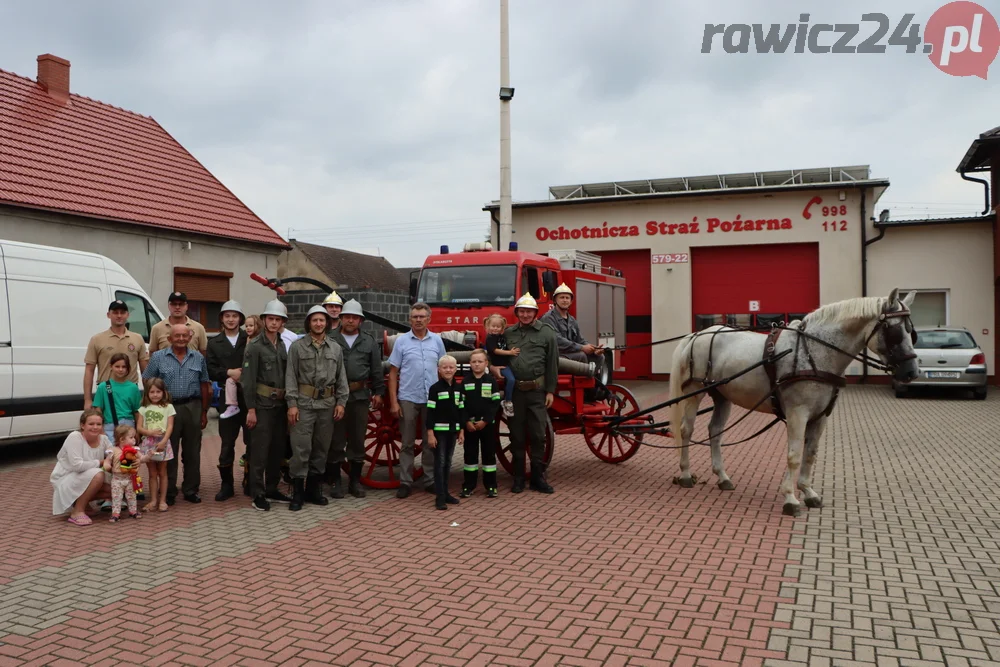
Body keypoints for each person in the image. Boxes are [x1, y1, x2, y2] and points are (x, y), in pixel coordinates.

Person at [285, 305, 348, 511]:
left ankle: (314, 491)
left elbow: (341, 378)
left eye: (322, 320)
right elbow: (291, 377)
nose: (319, 323)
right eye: (315, 320)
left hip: (327, 405)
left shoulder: (335, 348)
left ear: (327, 323)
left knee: (321, 449)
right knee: (301, 448)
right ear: (309, 323)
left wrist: (341, 402)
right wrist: (292, 405)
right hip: (304, 404)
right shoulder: (297, 347)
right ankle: (298, 493)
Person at [142, 324, 211, 505]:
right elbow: (147, 379)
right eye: (177, 336)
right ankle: (169, 491)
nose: (181, 339)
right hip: (167, 408)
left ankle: (190, 489)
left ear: (189, 337)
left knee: (192, 451)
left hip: (192, 406)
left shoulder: (198, 358)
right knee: (168, 450)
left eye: (184, 335)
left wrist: (204, 411)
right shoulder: (158, 357)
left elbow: (204, 383)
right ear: (170, 338)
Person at [388, 302, 447, 499]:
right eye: (415, 316)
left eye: (422, 316)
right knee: (407, 442)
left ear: (429, 319)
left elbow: (444, 369)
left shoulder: (437, 341)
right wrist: (394, 402)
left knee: (430, 441)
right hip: (408, 398)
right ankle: (405, 481)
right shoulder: (402, 342)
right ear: (410, 319)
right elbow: (393, 372)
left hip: (431, 399)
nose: (418, 320)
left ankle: (429, 479)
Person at [327, 299, 384, 499]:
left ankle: (355, 482)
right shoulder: (330, 338)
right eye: (347, 317)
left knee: (358, 440)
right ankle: (335, 483)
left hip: (359, 397)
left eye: (354, 318)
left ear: (360, 321)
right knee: (336, 440)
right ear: (341, 318)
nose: (350, 320)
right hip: (334, 397)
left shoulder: (368, 341)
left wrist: (379, 392)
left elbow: (376, 369)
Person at [242, 299, 294, 511]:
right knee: (260, 451)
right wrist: (251, 409)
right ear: (264, 320)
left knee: (277, 450)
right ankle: (258, 493)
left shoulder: (281, 344)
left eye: (278, 319)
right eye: (270, 319)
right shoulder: (254, 346)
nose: (273, 323)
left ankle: (272, 488)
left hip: (280, 405)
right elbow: (248, 380)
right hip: (262, 405)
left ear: (282, 322)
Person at [504, 293, 558, 494]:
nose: (525, 315)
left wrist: (550, 391)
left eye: (529, 311)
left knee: (538, 436)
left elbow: (552, 364)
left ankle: (537, 477)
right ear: (517, 312)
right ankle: (518, 478)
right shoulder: (508, 333)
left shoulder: (547, 333)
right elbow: (498, 357)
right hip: (515, 392)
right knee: (516, 436)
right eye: (522, 311)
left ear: (536, 313)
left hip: (537, 392)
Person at [206, 300, 252, 502]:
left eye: (235, 316)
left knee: (252, 440)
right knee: (227, 443)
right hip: (227, 399)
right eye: (227, 316)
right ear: (222, 319)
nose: (231, 319)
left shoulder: (250, 338)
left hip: (250, 397)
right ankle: (227, 485)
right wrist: (228, 372)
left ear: (241, 319)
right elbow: (210, 370)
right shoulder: (214, 342)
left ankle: (251, 480)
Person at [51, 408, 114, 525]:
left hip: (85, 477)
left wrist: (112, 458)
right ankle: (77, 511)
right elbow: (77, 466)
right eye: (91, 424)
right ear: (82, 425)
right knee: (98, 474)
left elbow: (112, 452)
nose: (95, 427)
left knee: (116, 488)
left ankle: (79, 502)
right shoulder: (75, 437)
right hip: (66, 478)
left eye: (98, 424)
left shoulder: (104, 439)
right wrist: (102, 462)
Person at [83, 299, 149, 410]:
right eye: (115, 312)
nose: (119, 316)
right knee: (107, 426)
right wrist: (88, 400)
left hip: (130, 393)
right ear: (108, 315)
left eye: (122, 312)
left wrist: (148, 396)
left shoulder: (137, 338)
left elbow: (145, 370)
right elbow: (89, 370)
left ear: (127, 315)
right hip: (106, 392)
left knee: (131, 426)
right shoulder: (97, 339)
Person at [460, 349, 502, 498]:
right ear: (469, 364)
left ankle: (491, 486)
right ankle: (468, 486)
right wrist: (466, 422)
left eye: (480, 361)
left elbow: (495, 403)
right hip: (471, 427)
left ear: (486, 363)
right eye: (474, 362)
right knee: (470, 456)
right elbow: (461, 404)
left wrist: (485, 420)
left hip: (487, 426)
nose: (477, 364)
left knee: (489, 455)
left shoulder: (491, 381)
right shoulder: (465, 382)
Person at [425, 355, 464, 511]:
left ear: (455, 369)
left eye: (451, 367)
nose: (448, 370)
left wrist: (461, 430)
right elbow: (430, 412)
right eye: (445, 367)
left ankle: (446, 493)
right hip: (439, 432)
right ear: (439, 370)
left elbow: (461, 409)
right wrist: (430, 433)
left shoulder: (458, 388)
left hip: (453, 431)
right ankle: (439, 497)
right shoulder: (435, 389)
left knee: (448, 462)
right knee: (439, 463)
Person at [540, 283, 604, 374]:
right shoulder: (548, 318)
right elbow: (557, 340)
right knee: (581, 356)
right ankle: (582, 383)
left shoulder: (572, 320)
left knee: (599, 357)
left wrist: (593, 349)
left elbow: (580, 340)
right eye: (561, 297)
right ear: (555, 300)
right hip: (556, 355)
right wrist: (582, 348)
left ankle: (593, 385)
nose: (565, 300)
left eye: (567, 298)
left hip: (570, 352)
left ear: (571, 301)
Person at [137, 378, 175, 512]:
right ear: (147, 393)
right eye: (152, 392)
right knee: (152, 473)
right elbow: (139, 427)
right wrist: (149, 432)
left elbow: (170, 426)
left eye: (158, 391)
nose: (155, 395)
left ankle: (163, 500)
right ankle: (153, 500)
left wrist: (164, 440)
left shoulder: (169, 407)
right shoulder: (143, 408)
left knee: (162, 472)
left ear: (164, 392)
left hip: (163, 442)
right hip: (148, 443)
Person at [92, 353, 142, 442]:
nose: (120, 369)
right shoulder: (103, 387)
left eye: (124, 367)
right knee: (113, 454)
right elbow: (98, 410)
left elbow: (137, 412)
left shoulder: (133, 388)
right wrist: (101, 430)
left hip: (129, 426)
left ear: (128, 368)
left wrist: (138, 431)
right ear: (111, 366)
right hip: (110, 427)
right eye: (117, 366)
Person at [149, 292, 209, 356]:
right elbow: (152, 353)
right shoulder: (157, 328)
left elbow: (204, 353)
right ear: (169, 306)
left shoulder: (199, 328)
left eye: (181, 304)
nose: (177, 307)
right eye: (174, 304)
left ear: (187, 306)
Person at [484, 314, 518, 418]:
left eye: (498, 326)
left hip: (505, 364)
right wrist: (510, 353)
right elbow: (495, 351)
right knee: (511, 380)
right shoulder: (490, 338)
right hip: (497, 366)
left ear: (502, 328)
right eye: (493, 326)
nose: (495, 328)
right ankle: (507, 401)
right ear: (488, 327)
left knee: (511, 380)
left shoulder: (502, 337)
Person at [107, 424, 142, 522]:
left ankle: (133, 511)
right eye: (131, 437)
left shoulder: (134, 449)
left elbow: (142, 458)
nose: (134, 440)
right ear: (122, 439)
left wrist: (148, 456)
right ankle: (115, 513)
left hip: (130, 477)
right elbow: (108, 460)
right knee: (116, 496)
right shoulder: (113, 450)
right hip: (117, 478)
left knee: (131, 495)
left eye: (134, 437)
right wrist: (107, 465)